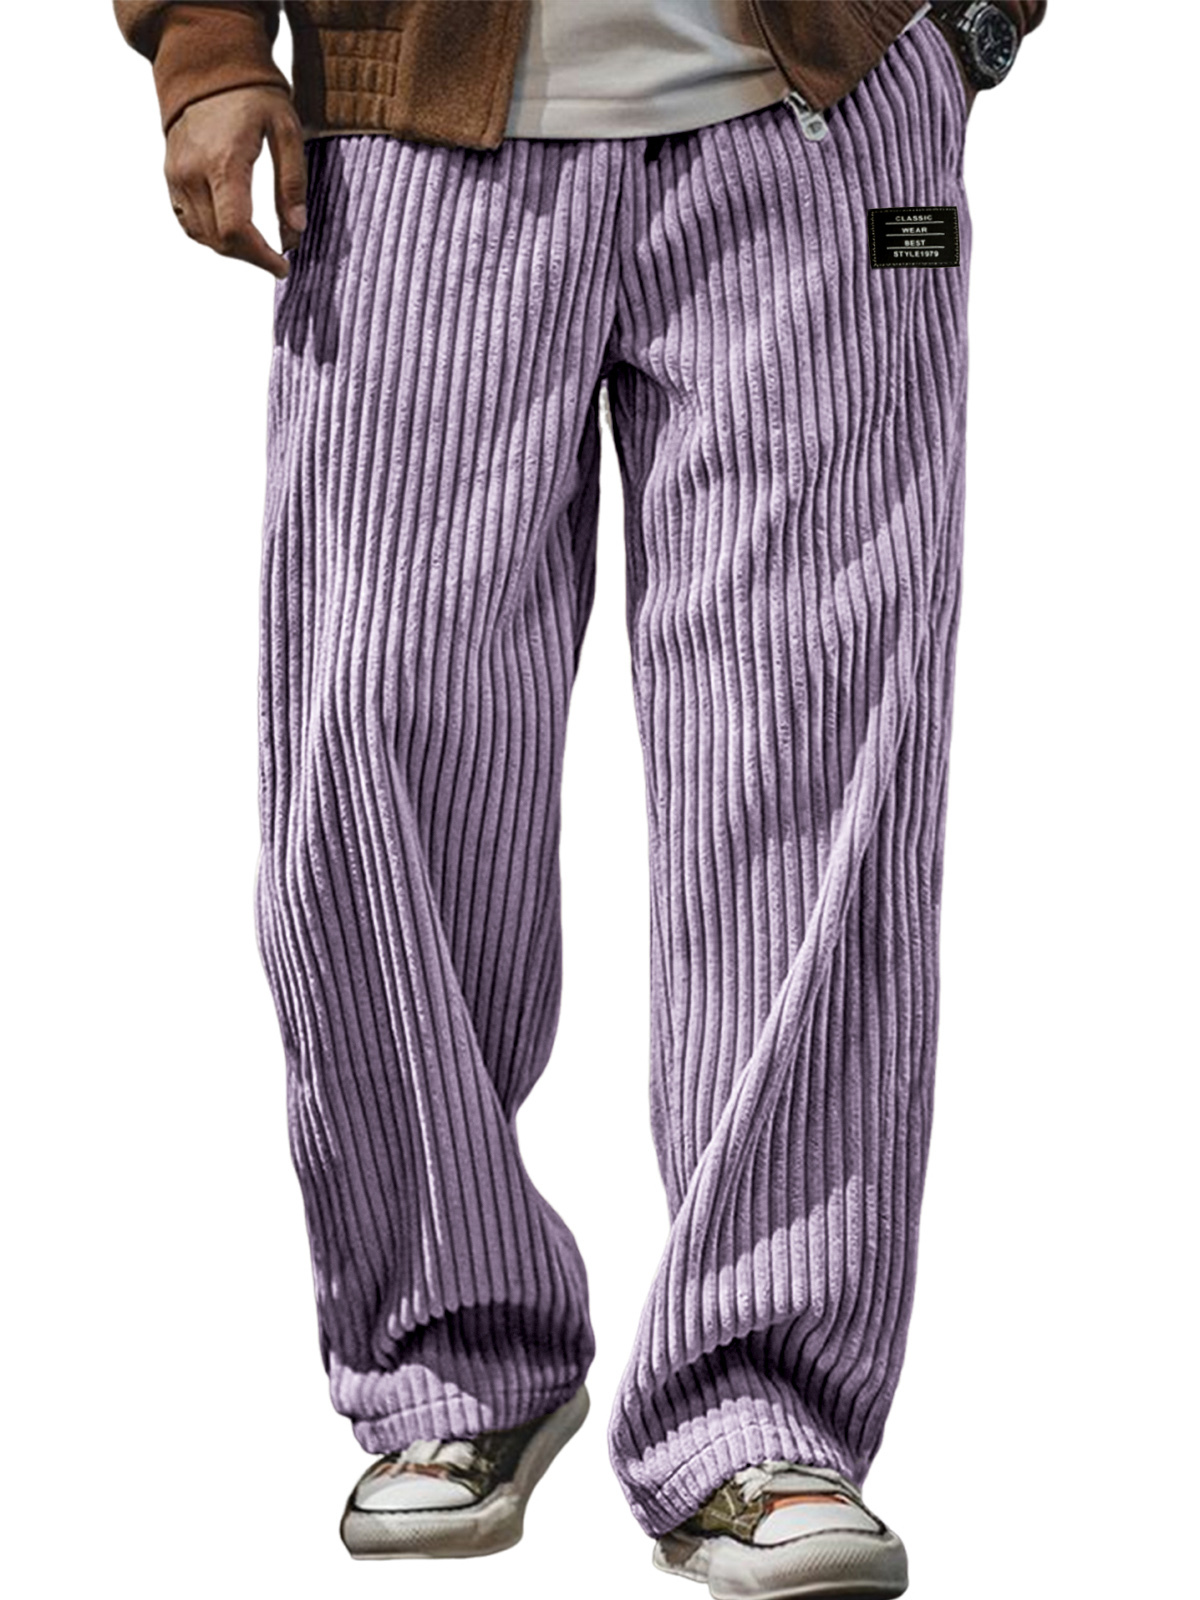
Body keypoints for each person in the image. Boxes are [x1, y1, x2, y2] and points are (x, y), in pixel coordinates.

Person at [112, 2, 1047, 1594]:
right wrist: (205, 46)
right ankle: (448, 1355)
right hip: (409, 132)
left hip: (820, 126)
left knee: (812, 769)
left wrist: (969, 28)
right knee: (375, 744)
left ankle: (762, 1407)